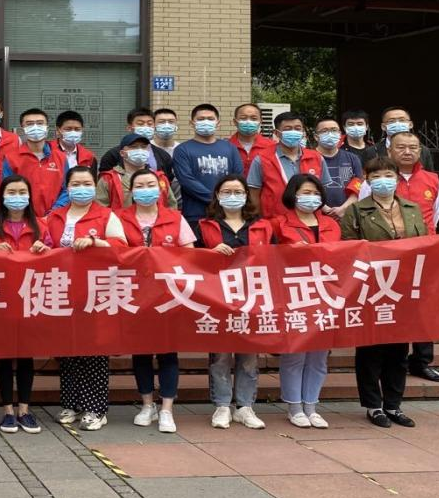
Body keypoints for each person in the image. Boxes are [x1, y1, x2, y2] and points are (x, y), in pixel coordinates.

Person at [341, 157, 439, 428]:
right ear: (367, 180)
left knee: (399, 349)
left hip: (404, 286)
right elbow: (346, 248)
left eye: (388, 175)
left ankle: (393, 404)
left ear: (396, 178)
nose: (383, 181)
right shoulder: (356, 211)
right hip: (371, 286)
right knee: (370, 349)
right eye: (376, 176)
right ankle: (373, 405)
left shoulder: (411, 208)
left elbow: (427, 244)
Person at [43, 166, 127, 431]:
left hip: (95, 291)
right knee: (67, 350)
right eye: (76, 184)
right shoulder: (55, 216)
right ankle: (72, 403)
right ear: (67, 188)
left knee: (93, 350)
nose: (82, 188)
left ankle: (95, 408)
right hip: (62, 290)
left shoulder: (106, 215)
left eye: (87, 183)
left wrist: (96, 243)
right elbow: (45, 243)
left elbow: (122, 247)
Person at [359, 131, 439, 382]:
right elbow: (364, 213)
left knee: (422, 306)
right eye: (401, 147)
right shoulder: (377, 179)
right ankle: (387, 357)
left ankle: (421, 360)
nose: (407, 152)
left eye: (413, 147)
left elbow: (435, 215)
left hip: (421, 253)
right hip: (384, 256)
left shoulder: (432, 179)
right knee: (386, 303)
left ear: (420, 151)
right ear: (389, 150)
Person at [116, 168, 196, 433]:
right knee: (140, 351)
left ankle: (167, 409)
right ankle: (147, 404)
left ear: (161, 188)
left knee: (167, 351)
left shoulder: (175, 217)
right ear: (131, 191)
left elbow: (190, 254)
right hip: (134, 295)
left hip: (168, 295)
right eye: (139, 186)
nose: (145, 190)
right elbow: (114, 252)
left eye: (150, 184)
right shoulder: (119, 218)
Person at [196, 175, 274, 431]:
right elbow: (190, 258)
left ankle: (245, 406)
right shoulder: (205, 226)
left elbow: (276, 259)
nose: (233, 196)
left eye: (238, 191)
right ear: (217, 195)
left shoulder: (262, 226)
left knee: (249, 355)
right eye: (227, 191)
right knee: (220, 355)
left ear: (246, 195)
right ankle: (222, 405)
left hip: (253, 297)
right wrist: (209, 253)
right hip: (217, 297)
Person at [0, 175, 51, 434]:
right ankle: (8, 410)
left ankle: (25, 410)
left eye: (21, 192)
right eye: (11, 192)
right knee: (5, 356)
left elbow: (56, 259)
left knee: (27, 356)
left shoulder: (41, 226)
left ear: (29, 196)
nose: (17, 197)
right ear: (3, 197)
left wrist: (45, 250)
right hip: (0, 300)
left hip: (30, 299)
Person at [271, 174, 338, 429]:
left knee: (319, 355)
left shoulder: (331, 224)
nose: (311, 197)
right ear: (293, 195)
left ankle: (311, 405)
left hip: (325, 292)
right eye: (305, 193)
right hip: (293, 293)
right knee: (295, 353)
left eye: (315, 193)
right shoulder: (279, 224)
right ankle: (294, 407)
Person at [247, 112, 330, 219]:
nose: (293, 132)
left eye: (297, 128)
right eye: (288, 129)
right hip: (274, 222)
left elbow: (323, 190)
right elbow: (254, 195)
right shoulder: (262, 159)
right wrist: (258, 221)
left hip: (310, 220)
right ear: (277, 133)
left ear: (303, 132)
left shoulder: (317, 158)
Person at [172, 104, 243, 225]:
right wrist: (216, 200)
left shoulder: (230, 148)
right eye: (201, 119)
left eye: (210, 119)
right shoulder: (182, 150)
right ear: (191, 123)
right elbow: (186, 181)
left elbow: (238, 177)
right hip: (196, 214)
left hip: (228, 213)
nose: (206, 122)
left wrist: (227, 199)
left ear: (218, 123)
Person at [2, 108, 68, 215]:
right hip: (23, 217)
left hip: (55, 217)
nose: (35, 127)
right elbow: (7, 190)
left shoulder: (61, 157)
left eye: (40, 123)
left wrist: (54, 212)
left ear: (47, 128)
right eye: (29, 124)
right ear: (23, 129)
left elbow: (67, 190)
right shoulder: (11, 158)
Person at [96, 107, 176, 182]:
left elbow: (167, 181)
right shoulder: (113, 155)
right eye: (140, 124)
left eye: (149, 124)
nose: (146, 127)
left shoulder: (163, 155)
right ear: (129, 128)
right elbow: (105, 181)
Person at [98, 133, 176, 208]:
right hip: (118, 217)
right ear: (122, 153)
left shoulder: (160, 177)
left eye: (143, 147)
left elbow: (171, 206)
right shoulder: (109, 179)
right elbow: (100, 209)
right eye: (133, 147)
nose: (139, 150)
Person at [312, 116, 363, 218]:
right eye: (324, 131)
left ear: (340, 134)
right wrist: (326, 209)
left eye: (334, 130)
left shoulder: (353, 158)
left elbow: (358, 187)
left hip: (347, 215)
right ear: (316, 136)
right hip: (316, 215)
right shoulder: (308, 158)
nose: (330, 134)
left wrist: (343, 208)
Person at [361, 106, 434, 171]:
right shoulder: (371, 151)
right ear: (383, 126)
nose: (397, 123)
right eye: (391, 121)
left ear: (410, 124)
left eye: (402, 120)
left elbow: (429, 176)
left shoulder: (423, 150)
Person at [229, 103, 275, 173]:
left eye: (254, 118)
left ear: (260, 121)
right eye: (243, 118)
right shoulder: (226, 146)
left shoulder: (272, 146)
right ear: (235, 122)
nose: (248, 122)